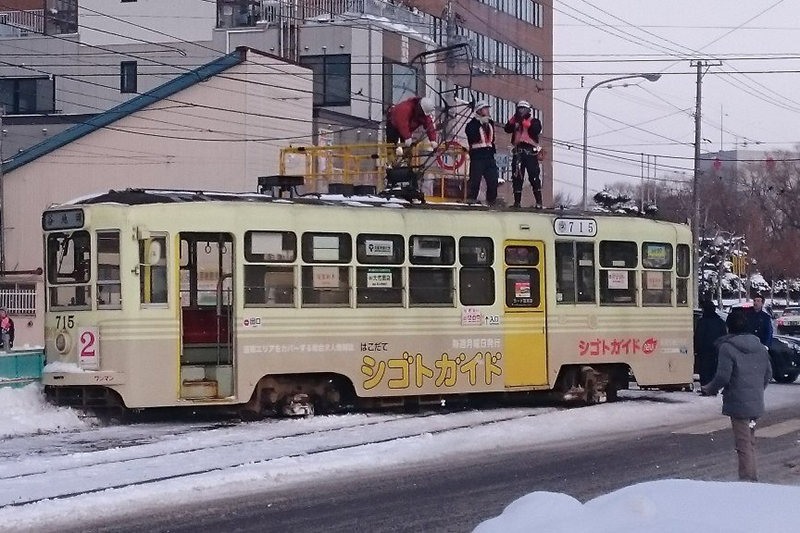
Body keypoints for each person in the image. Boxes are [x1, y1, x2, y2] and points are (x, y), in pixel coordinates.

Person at [701, 310, 772, 482]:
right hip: (756, 403)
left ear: (728, 328)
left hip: (738, 403)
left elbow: (723, 376)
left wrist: (710, 389)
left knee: (743, 444)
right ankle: (752, 476)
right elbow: (768, 374)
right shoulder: (761, 348)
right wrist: (757, 389)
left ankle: (748, 481)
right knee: (750, 441)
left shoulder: (727, 348)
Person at [504, 100, 543, 208]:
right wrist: (514, 119)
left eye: (523, 109)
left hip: (530, 151)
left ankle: (539, 201)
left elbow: (535, 130)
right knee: (517, 176)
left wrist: (523, 122)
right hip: (518, 150)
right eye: (519, 108)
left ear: (528, 110)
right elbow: (507, 129)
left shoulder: (534, 121)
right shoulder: (515, 121)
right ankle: (517, 202)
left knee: (533, 176)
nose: (521, 111)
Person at [465, 101, 499, 205]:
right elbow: (471, 136)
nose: (487, 111)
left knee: (493, 179)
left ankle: (491, 200)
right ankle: (472, 199)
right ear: (479, 110)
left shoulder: (490, 123)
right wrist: (479, 124)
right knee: (475, 179)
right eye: (485, 108)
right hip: (477, 156)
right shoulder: (472, 124)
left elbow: (492, 139)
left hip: (489, 155)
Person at [694, 298, 727, 386]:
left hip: (704, 351)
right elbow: (724, 336)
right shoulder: (720, 322)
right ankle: (713, 388)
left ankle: (705, 388)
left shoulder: (702, 322)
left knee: (704, 370)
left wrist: (696, 349)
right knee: (714, 369)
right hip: (717, 350)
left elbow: (698, 336)